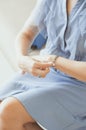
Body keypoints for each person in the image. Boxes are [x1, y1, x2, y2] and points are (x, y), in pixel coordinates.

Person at [0, 0, 86, 130]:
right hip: (48, 71)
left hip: (80, 83)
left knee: (10, 109)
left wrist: (54, 60)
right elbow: (26, 34)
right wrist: (22, 59)